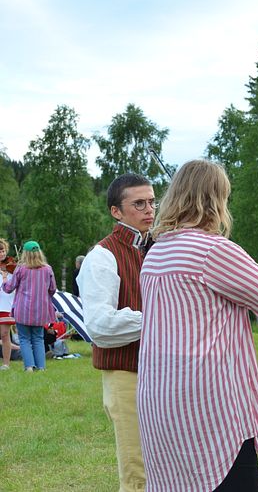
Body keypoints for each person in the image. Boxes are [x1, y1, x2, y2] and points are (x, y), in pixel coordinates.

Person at [138, 159, 258, 492]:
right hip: (208, 400)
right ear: (217, 199)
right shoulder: (214, 251)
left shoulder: (156, 252)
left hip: (159, 396)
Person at [77, 173, 156, 492]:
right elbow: (100, 326)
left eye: (152, 201)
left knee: (169, 469)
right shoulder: (102, 256)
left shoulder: (159, 247)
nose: (149, 210)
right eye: (138, 203)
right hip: (127, 376)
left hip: (164, 373)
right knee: (138, 475)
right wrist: (159, 318)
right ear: (116, 211)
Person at [1, 240, 57, 372]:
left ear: (25, 253)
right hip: (40, 310)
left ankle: (29, 367)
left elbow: (9, 288)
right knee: (38, 338)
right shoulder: (47, 269)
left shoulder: (21, 269)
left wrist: (4, 280)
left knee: (24, 339)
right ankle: (41, 367)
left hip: (23, 310)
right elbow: (53, 289)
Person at [0, 238, 16, 370]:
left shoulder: (12, 266)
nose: (1, 254)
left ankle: (6, 363)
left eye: (3, 251)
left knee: (5, 334)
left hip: (7, 303)